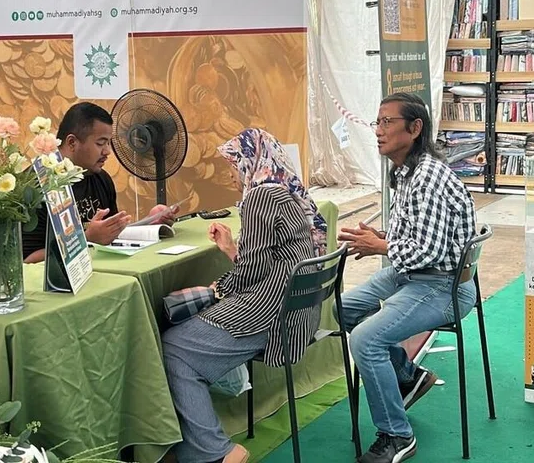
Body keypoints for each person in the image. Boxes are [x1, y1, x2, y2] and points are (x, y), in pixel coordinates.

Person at [162, 128, 324, 463]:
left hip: (270, 315)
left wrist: (215, 289)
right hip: (293, 313)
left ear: (250, 160)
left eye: (233, 163)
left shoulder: (260, 198)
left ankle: (214, 452)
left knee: (172, 348)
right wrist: (232, 250)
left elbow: (251, 272)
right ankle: (194, 448)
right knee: (184, 339)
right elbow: (269, 261)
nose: (232, 173)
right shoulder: (285, 193)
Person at [337, 93, 477, 463]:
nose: (378, 131)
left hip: (441, 285)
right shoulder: (406, 171)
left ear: (414, 129)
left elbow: (429, 251)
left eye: (387, 123)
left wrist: (382, 248)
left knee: (366, 340)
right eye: (377, 122)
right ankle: (406, 376)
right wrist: (382, 237)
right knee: (339, 309)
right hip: (413, 274)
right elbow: (418, 236)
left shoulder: (427, 176)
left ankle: (397, 436)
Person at [21, 102, 177, 262]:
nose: (107, 151)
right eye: (100, 143)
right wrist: (86, 239)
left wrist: (150, 223)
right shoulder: (34, 186)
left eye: (108, 143)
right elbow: (26, 261)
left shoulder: (101, 179)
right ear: (72, 142)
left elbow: (113, 235)